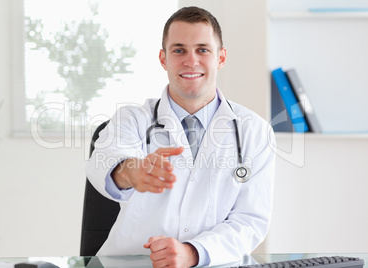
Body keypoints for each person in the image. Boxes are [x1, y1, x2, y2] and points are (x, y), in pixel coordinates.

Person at [86, 6, 276, 268]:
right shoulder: (132, 118)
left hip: (215, 263)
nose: (191, 61)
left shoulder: (255, 131)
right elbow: (104, 160)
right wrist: (132, 172)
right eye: (179, 50)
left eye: (203, 50)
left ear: (221, 58)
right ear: (163, 59)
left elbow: (250, 221)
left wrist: (193, 252)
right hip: (132, 264)